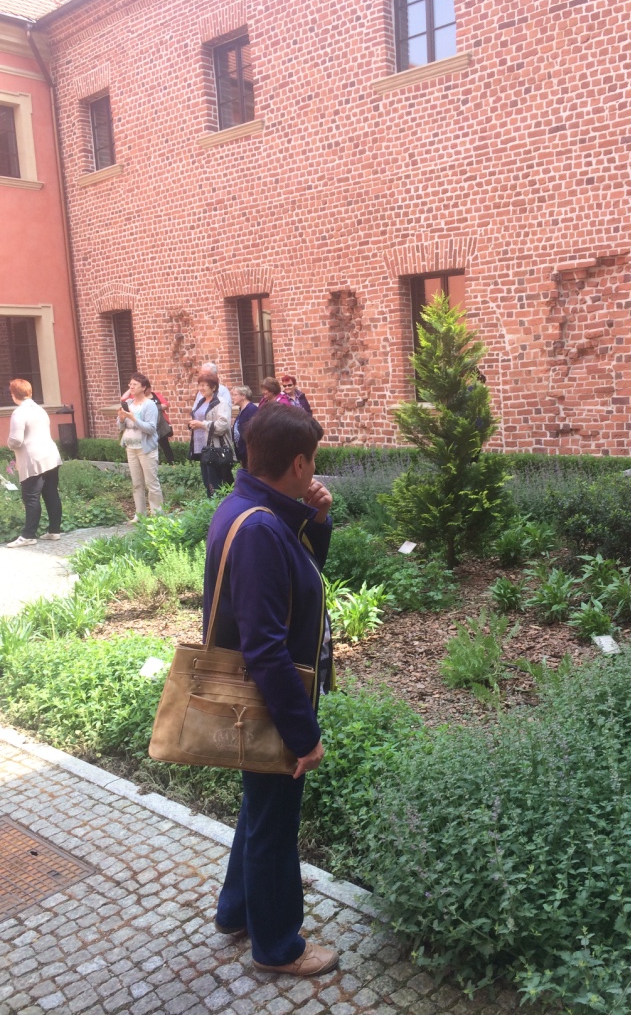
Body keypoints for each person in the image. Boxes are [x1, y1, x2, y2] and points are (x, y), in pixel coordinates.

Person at [204, 403, 337, 976]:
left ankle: (236, 910)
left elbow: (297, 582)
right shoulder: (260, 528)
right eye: (314, 461)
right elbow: (265, 646)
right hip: (272, 702)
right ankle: (278, 946)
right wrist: (303, 735)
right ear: (298, 464)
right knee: (275, 823)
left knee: (261, 809)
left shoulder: (250, 508)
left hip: (261, 700)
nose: (315, 470)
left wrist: (316, 521)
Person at [6, 379, 63, 548]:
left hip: (33, 459)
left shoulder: (19, 412)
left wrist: (9, 444)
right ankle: (54, 530)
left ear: (13, 395)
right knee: (51, 493)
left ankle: (28, 536)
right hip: (50, 455)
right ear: (29, 392)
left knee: (31, 497)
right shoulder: (40, 409)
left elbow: (16, 440)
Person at [117, 372, 164, 522]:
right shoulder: (129, 403)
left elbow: (151, 428)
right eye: (130, 384)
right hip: (131, 448)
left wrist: (133, 418)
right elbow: (120, 427)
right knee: (136, 483)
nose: (131, 387)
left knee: (151, 483)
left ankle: (157, 515)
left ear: (143, 387)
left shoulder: (149, 405)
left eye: (135, 384)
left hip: (146, 449)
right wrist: (122, 419)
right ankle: (140, 514)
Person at [189, 373, 234, 496]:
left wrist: (202, 424)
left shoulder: (220, 402)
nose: (201, 388)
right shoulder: (201, 402)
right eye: (199, 385)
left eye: (205, 385)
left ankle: (220, 506)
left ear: (213, 387)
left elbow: (222, 425)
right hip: (202, 448)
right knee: (207, 483)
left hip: (216, 448)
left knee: (216, 484)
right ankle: (212, 506)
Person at [122, 384, 174, 464]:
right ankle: (157, 462)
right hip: (145, 424)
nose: (147, 391)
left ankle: (172, 462)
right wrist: (131, 388)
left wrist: (152, 407)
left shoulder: (156, 395)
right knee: (151, 443)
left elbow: (166, 404)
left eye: (148, 388)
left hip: (160, 424)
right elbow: (123, 399)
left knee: (165, 444)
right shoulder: (136, 398)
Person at [232, 385, 258, 466]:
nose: (233, 397)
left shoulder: (251, 409)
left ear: (243, 396)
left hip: (250, 454)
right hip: (243, 454)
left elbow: (253, 433)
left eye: (235, 395)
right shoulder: (241, 410)